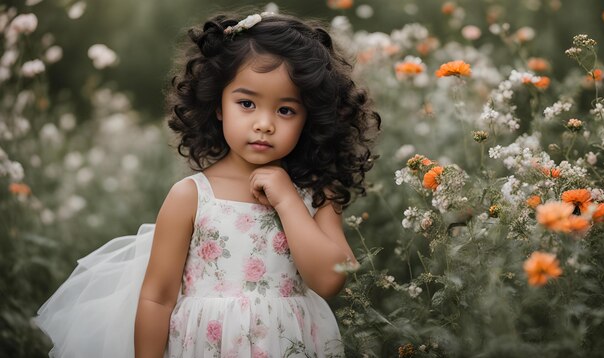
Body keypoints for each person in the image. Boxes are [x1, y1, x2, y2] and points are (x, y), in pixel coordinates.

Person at [34, 10, 380, 358]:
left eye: (286, 110)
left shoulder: (318, 192)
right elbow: (157, 297)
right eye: (246, 103)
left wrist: (288, 200)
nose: (264, 124)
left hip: (289, 344)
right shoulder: (192, 196)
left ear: (309, 117)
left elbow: (332, 280)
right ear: (218, 106)